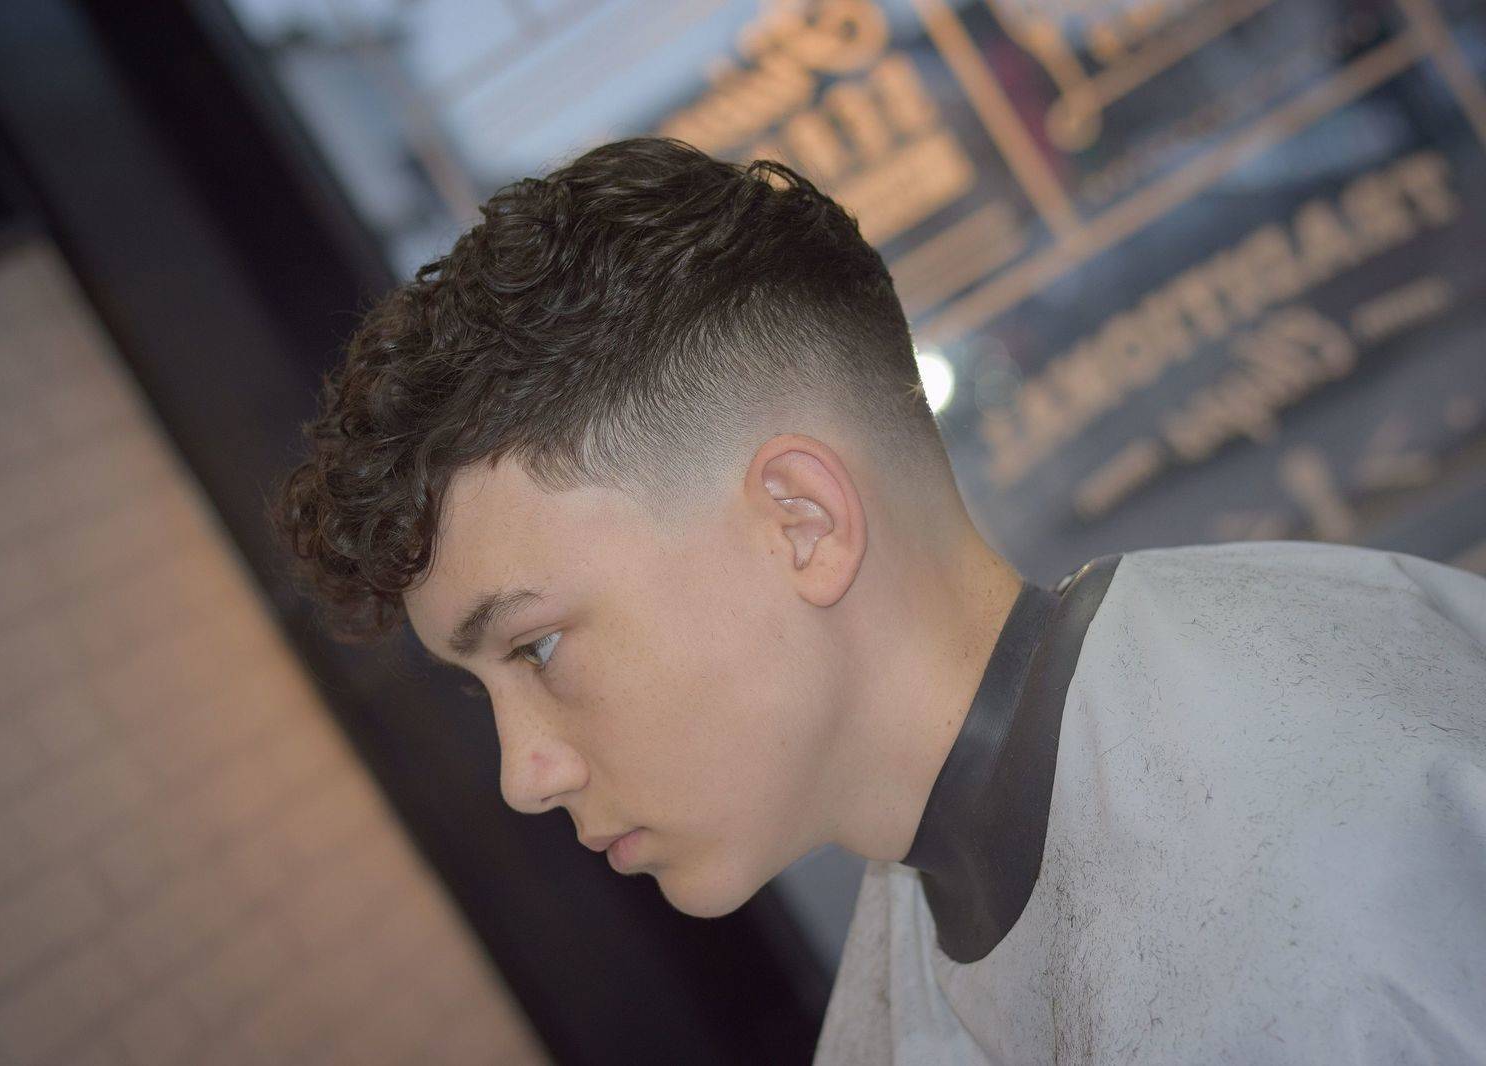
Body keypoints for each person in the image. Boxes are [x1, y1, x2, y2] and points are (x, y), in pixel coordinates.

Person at [272, 136, 1486, 1062]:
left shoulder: (1319, 866)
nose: (523, 775)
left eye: (535, 648)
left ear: (801, 523)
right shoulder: (953, 895)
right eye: (482, 684)